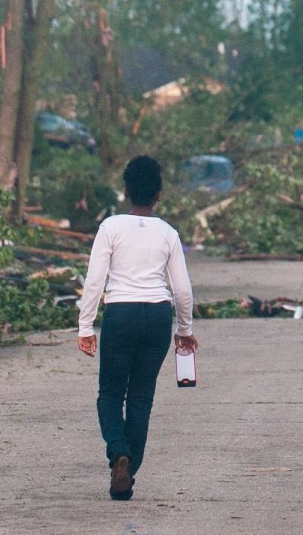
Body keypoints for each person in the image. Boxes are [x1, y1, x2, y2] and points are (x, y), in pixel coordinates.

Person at [76, 155, 197, 501]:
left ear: (126, 191)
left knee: (111, 393)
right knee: (141, 396)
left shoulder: (110, 228)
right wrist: (184, 329)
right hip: (158, 316)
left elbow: (95, 280)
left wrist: (86, 327)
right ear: (158, 194)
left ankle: (119, 453)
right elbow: (183, 289)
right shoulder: (168, 233)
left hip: (121, 314)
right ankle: (128, 470)